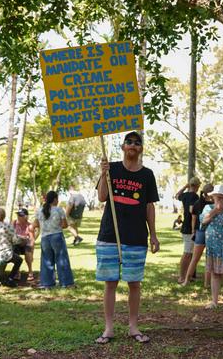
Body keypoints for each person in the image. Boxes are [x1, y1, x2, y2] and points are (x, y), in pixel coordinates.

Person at [95, 131, 160, 344]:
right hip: (109, 235)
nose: (133, 145)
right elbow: (102, 197)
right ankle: (109, 328)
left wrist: (154, 235)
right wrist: (103, 174)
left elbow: (149, 206)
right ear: (123, 147)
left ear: (141, 148)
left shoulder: (147, 175)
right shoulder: (111, 168)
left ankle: (133, 326)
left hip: (136, 236)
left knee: (134, 282)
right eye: (129, 142)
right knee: (110, 282)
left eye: (137, 142)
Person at [32, 190, 74, 289]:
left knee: (46, 260)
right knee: (61, 259)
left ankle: (47, 283)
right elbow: (64, 225)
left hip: (45, 238)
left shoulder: (39, 210)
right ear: (55, 199)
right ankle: (66, 283)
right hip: (57, 236)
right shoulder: (59, 210)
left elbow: (35, 224)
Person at [181, 183, 214, 287]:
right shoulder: (214, 205)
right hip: (211, 232)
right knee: (209, 258)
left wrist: (193, 232)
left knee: (194, 258)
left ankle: (186, 281)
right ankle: (207, 283)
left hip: (199, 232)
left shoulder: (197, 203)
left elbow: (194, 220)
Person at [0, 208, 24, 287]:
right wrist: (22, 239)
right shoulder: (8, 226)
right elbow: (15, 240)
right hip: (5, 253)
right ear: (4, 216)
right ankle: (10, 278)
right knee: (19, 260)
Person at [175, 176, 201, 283]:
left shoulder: (185, 195)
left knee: (189, 253)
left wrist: (185, 186)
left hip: (186, 226)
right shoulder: (195, 196)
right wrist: (193, 229)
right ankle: (181, 277)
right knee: (187, 254)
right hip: (189, 228)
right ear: (197, 186)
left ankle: (187, 276)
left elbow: (177, 195)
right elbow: (192, 211)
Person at [13, 208, 36, 281]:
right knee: (15, 251)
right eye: (18, 215)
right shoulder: (13, 223)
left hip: (26, 244)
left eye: (21, 215)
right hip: (16, 244)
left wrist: (32, 249)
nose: (19, 217)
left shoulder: (29, 226)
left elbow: (32, 239)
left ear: (26, 216)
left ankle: (30, 271)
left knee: (28, 250)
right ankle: (17, 272)